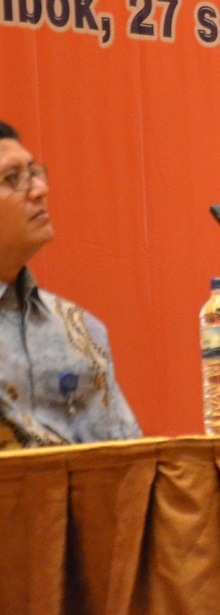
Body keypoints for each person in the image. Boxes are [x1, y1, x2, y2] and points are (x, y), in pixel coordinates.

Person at [0, 121, 139, 448]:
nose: (39, 190)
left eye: (34, 173)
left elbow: (129, 460)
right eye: (12, 178)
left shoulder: (81, 331)